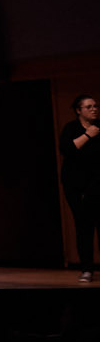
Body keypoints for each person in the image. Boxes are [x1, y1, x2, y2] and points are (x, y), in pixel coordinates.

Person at [61, 94, 98, 281]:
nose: (94, 109)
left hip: (96, 185)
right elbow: (67, 149)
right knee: (83, 225)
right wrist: (87, 135)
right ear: (79, 111)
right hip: (75, 186)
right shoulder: (71, 128)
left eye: (95, 106)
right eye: (89, 107)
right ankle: (87, 268)